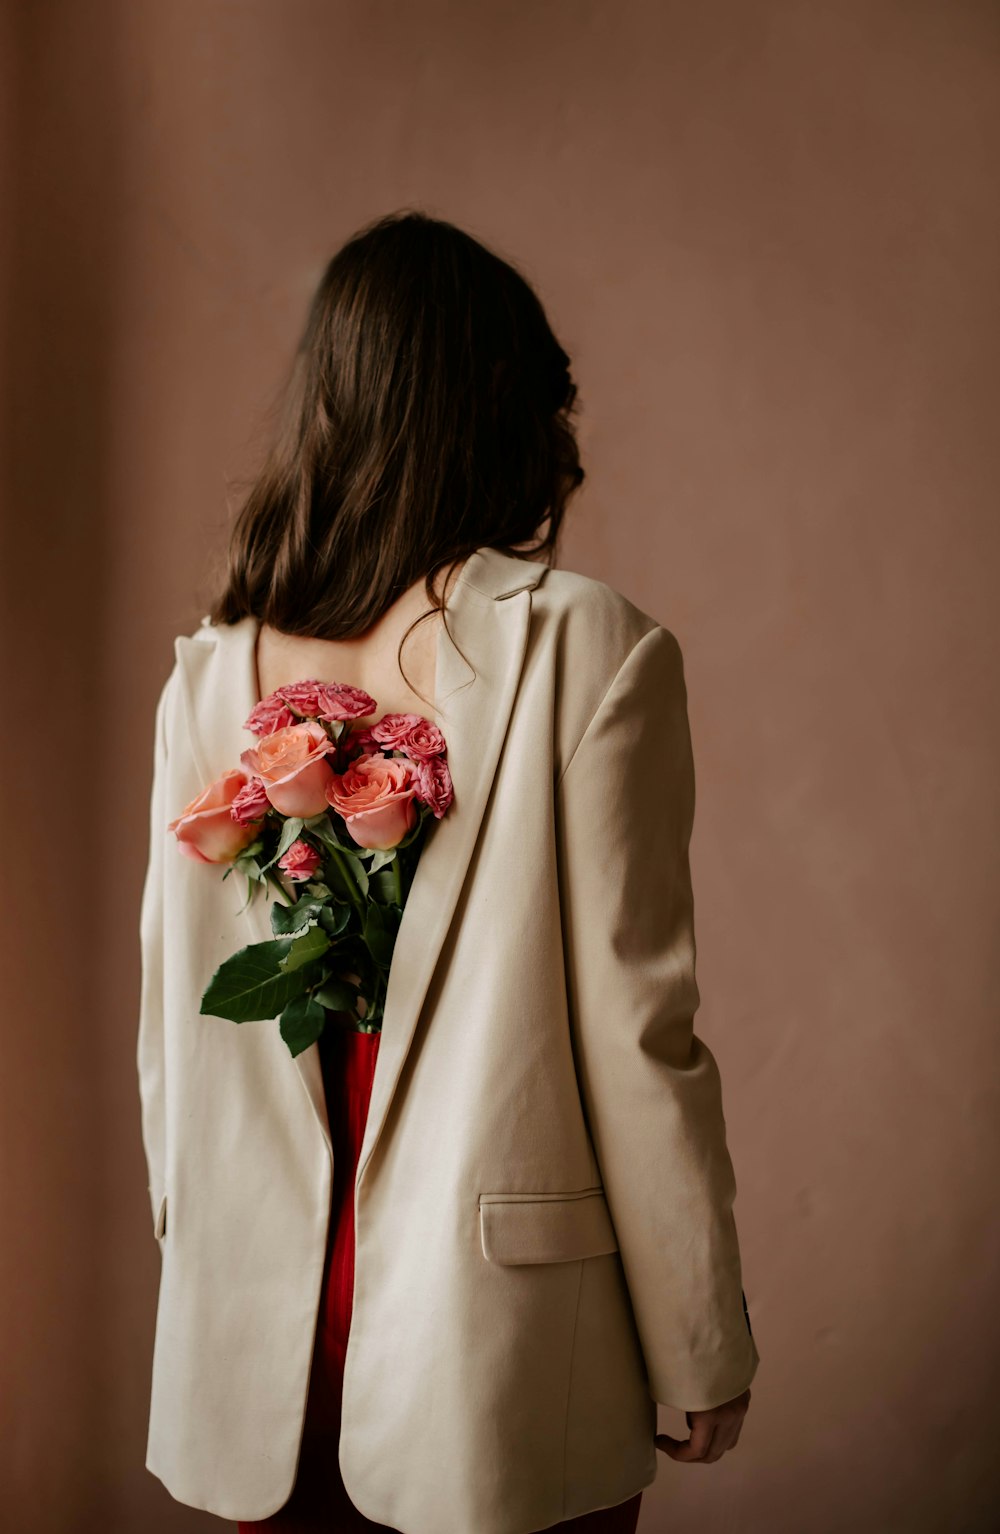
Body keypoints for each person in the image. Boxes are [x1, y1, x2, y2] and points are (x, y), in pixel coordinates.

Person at [137, 209, 759, 1534]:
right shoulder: (588, 649)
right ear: (504, 417)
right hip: (504, 1343)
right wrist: (699, 1330)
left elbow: (165, 1032)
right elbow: (635, 1028)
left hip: (255, 1332)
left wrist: (194, 1257)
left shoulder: (209, 672)